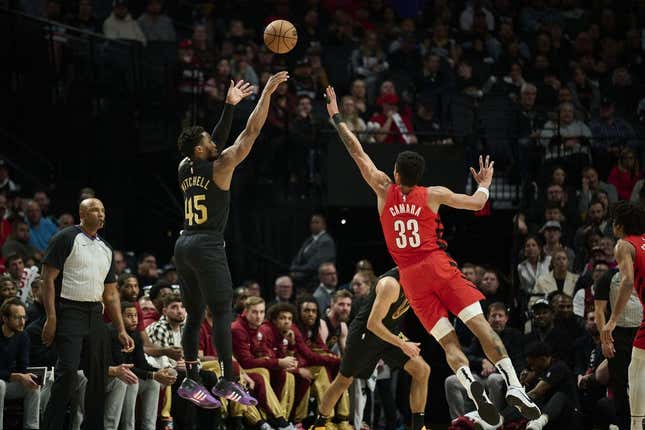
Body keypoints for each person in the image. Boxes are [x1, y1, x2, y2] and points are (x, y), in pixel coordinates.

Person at [324, 85, 539, 426]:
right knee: (482, 328)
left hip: (410, 278)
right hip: (438, 266)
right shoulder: (433, 194)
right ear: (419, 176)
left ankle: (471, 387)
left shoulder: (383, 189)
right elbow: (478, 203)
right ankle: (514, 385)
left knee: (448, 343)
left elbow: (357, 151)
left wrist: (336, 115)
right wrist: (484, 182)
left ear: (396, 174)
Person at [173, 71, 288, 408]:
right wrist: (266, 93)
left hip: (183, 245)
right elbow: (251, 131)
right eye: (209, 140)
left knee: (194, 317)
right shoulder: (222, 166)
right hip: (208, 244)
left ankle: (191, 379)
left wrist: (228, 106)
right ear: (201, 148)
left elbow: (214, 143)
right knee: (222, 311)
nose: (215, 142)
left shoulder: (184, 166)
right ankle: (226, 379)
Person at [40, 198, 134, 430]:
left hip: (95, 313)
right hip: (69, 309)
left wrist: (120, 329)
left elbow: (111, 294)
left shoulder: (106, 248)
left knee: (99, 376)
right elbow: (47, 279)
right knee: (68, 372)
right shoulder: (65, 238)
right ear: (82, 213)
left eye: (103, 210)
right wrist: (51, 317)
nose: (101, 214)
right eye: (95, 210)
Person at [311, 268, 430, 430]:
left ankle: (418, 427)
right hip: (366, 335)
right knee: (344, 381)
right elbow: (373, 324)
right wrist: (402, 344)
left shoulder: (422, 282)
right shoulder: (390, 283)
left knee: (422, 369)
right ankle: (319, 424)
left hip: (389, 332)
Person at [601, 201, 645, 430]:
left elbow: (627, 280)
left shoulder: (624, 245)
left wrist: (612, 320)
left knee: (635, 378)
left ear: (620, 224)